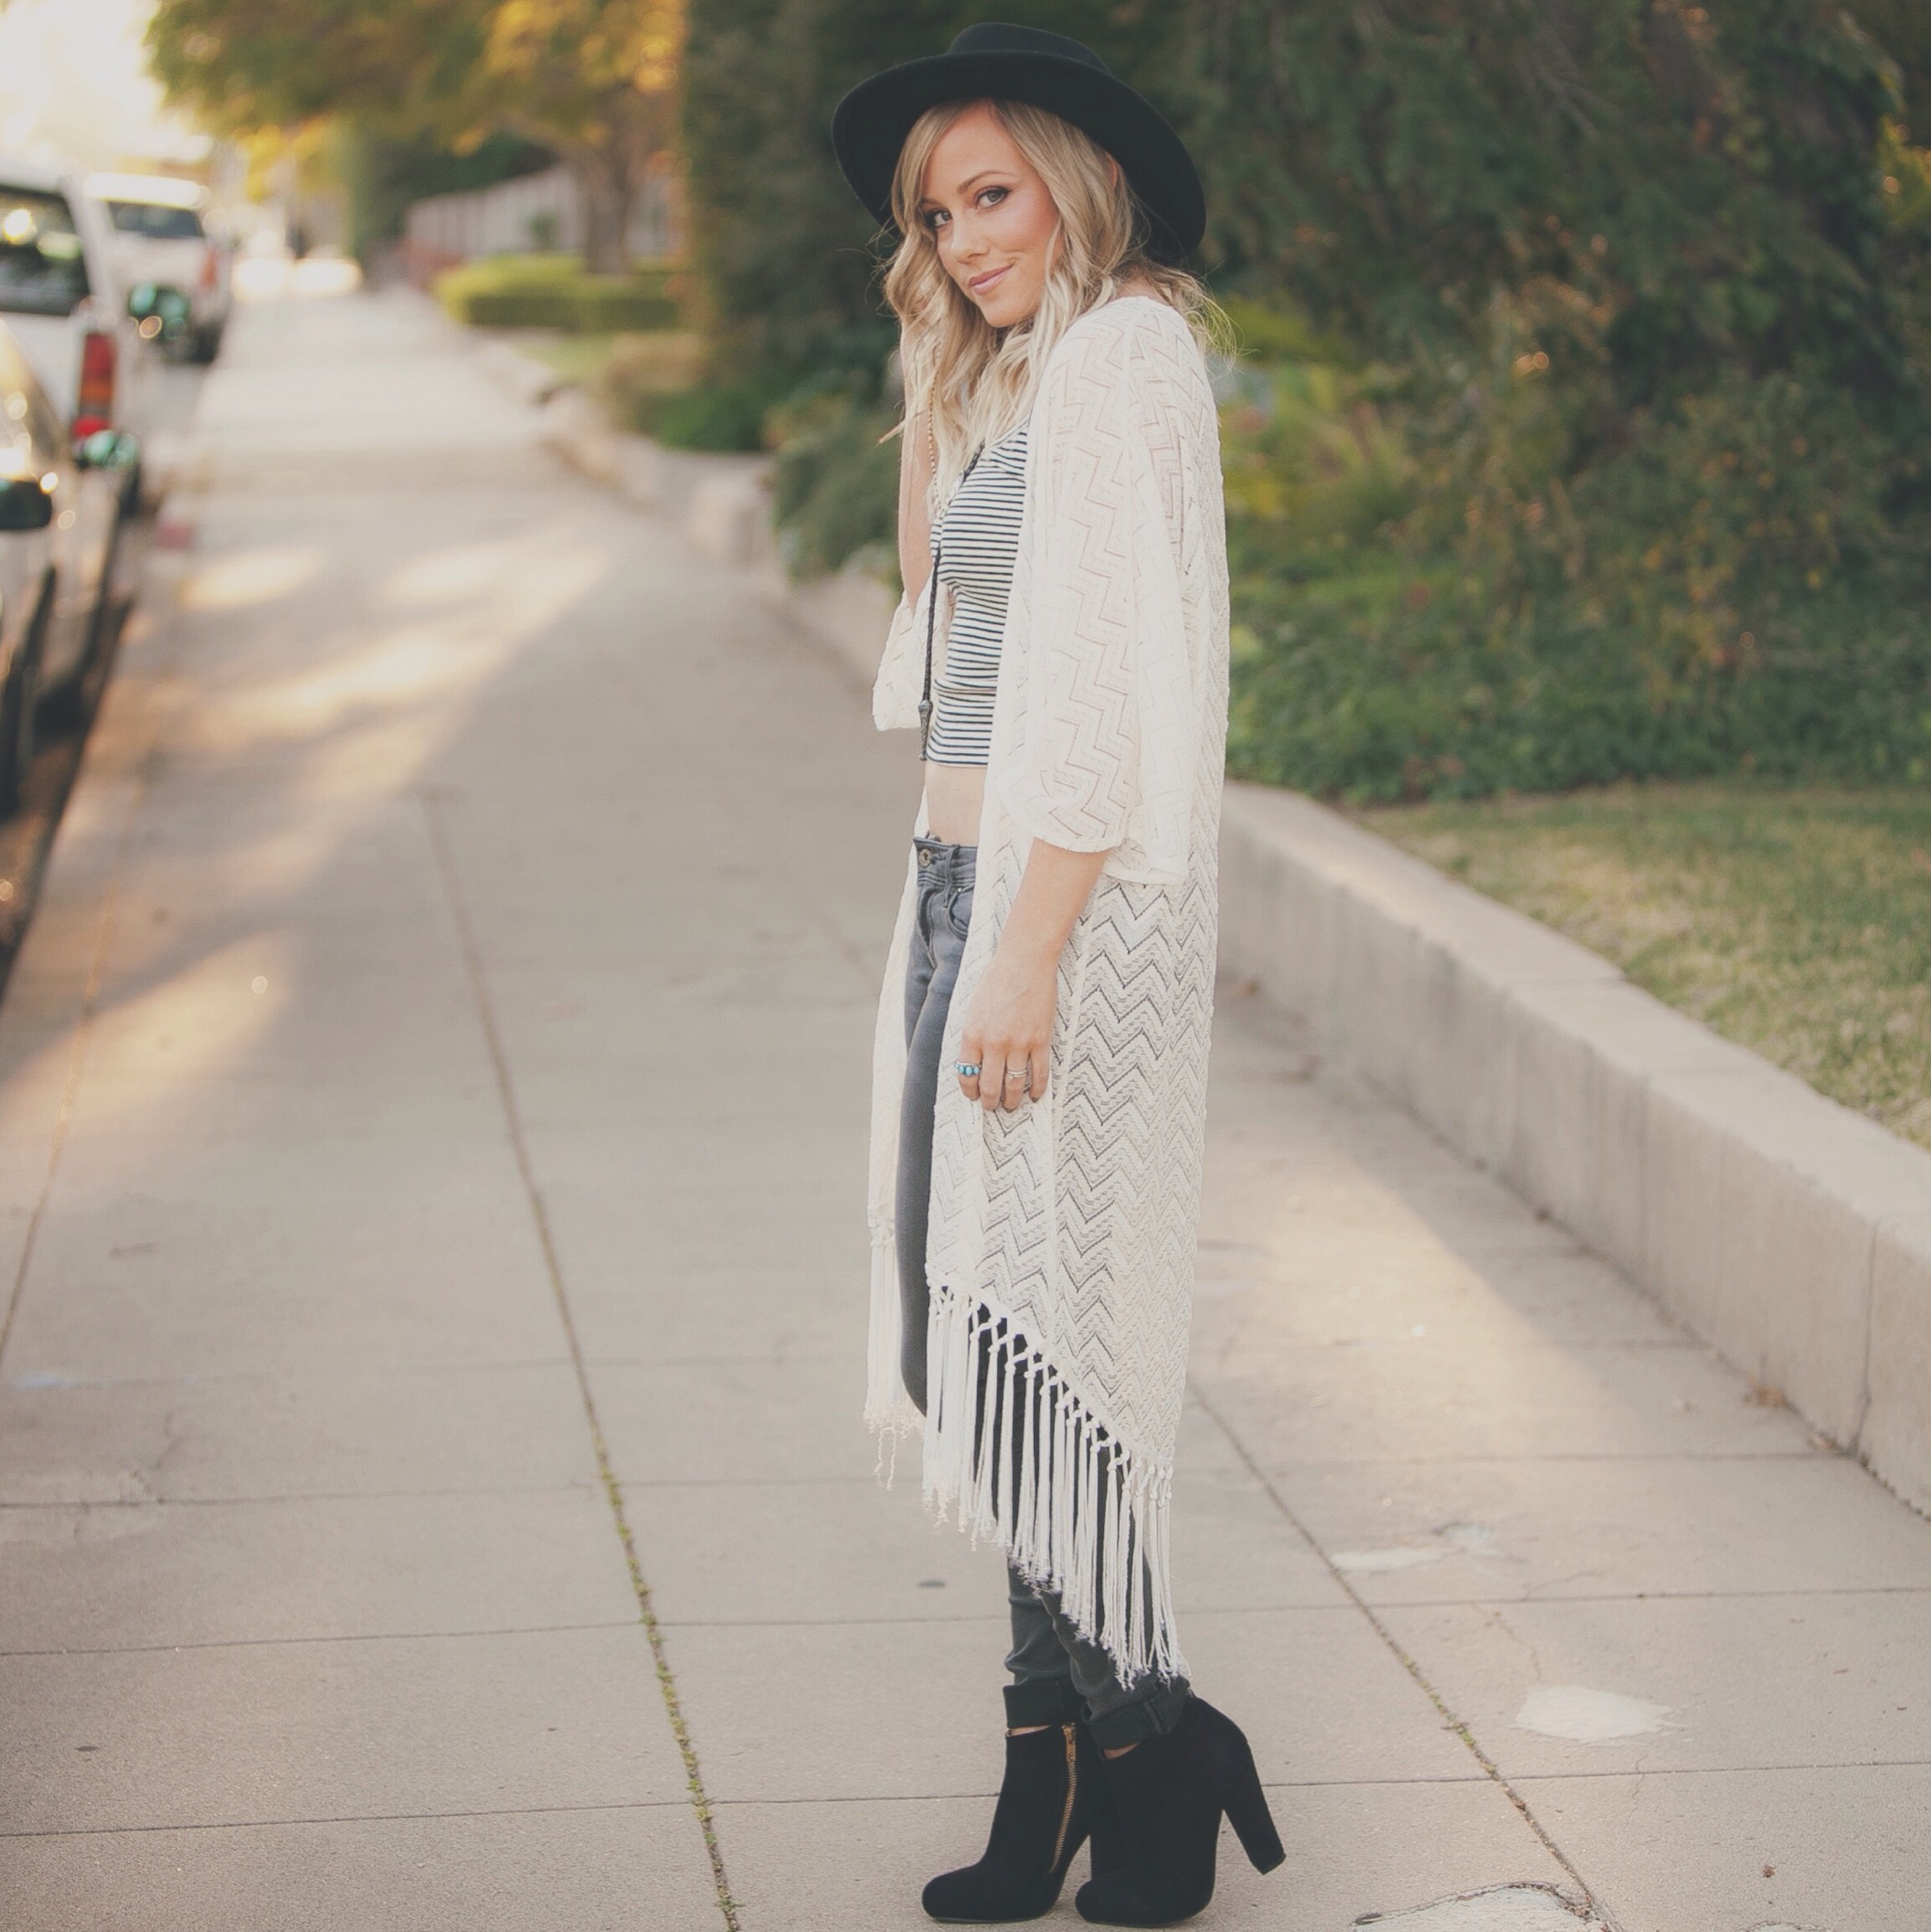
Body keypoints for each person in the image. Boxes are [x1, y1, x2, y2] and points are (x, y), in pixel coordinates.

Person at [833, 25, 1283, 1927]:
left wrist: (1027, 952)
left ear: (1082, 180)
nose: (961, 239)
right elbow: (933, 613)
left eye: (991, 197)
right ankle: (1066, 1749)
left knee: (1033, 1346)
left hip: (1049, 922)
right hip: (960, 889)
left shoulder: (1132, 355)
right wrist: (943, 358)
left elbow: (1111, 695)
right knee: (975, 1341)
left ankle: (1146, 1741)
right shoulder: (1030, 365)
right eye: (935, 216)